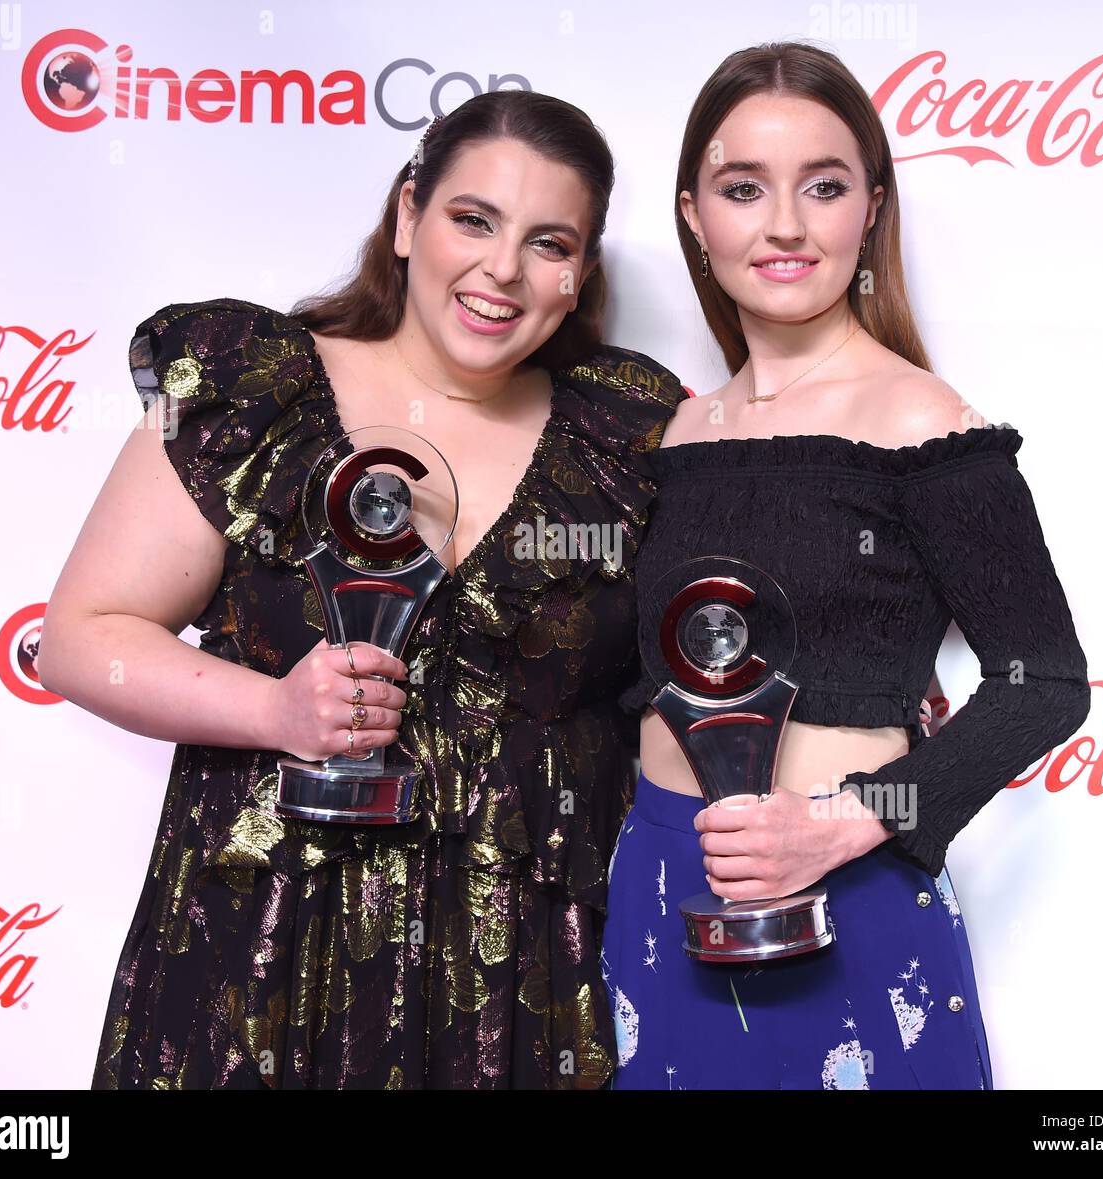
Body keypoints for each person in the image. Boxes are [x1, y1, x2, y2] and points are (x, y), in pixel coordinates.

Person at [37, 88, 690, 1089]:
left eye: (548, 242)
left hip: (523, 983)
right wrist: (274, 708)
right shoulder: (255, 391)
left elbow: (699, 659)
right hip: (259, 953)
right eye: (472, 220)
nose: (501, 269)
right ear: (405, 218)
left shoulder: (630, 439)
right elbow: (82, 635)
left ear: (579, 276)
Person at [603, 41, 1092, 1090]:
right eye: (744, 189)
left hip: (849, 893)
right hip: (659, 888)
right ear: (694, 213)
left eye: (822, 186)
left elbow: (1041, 686)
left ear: (869, 208)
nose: (784, 225)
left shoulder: (918, 418)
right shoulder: (675, 435)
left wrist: (834, 828)